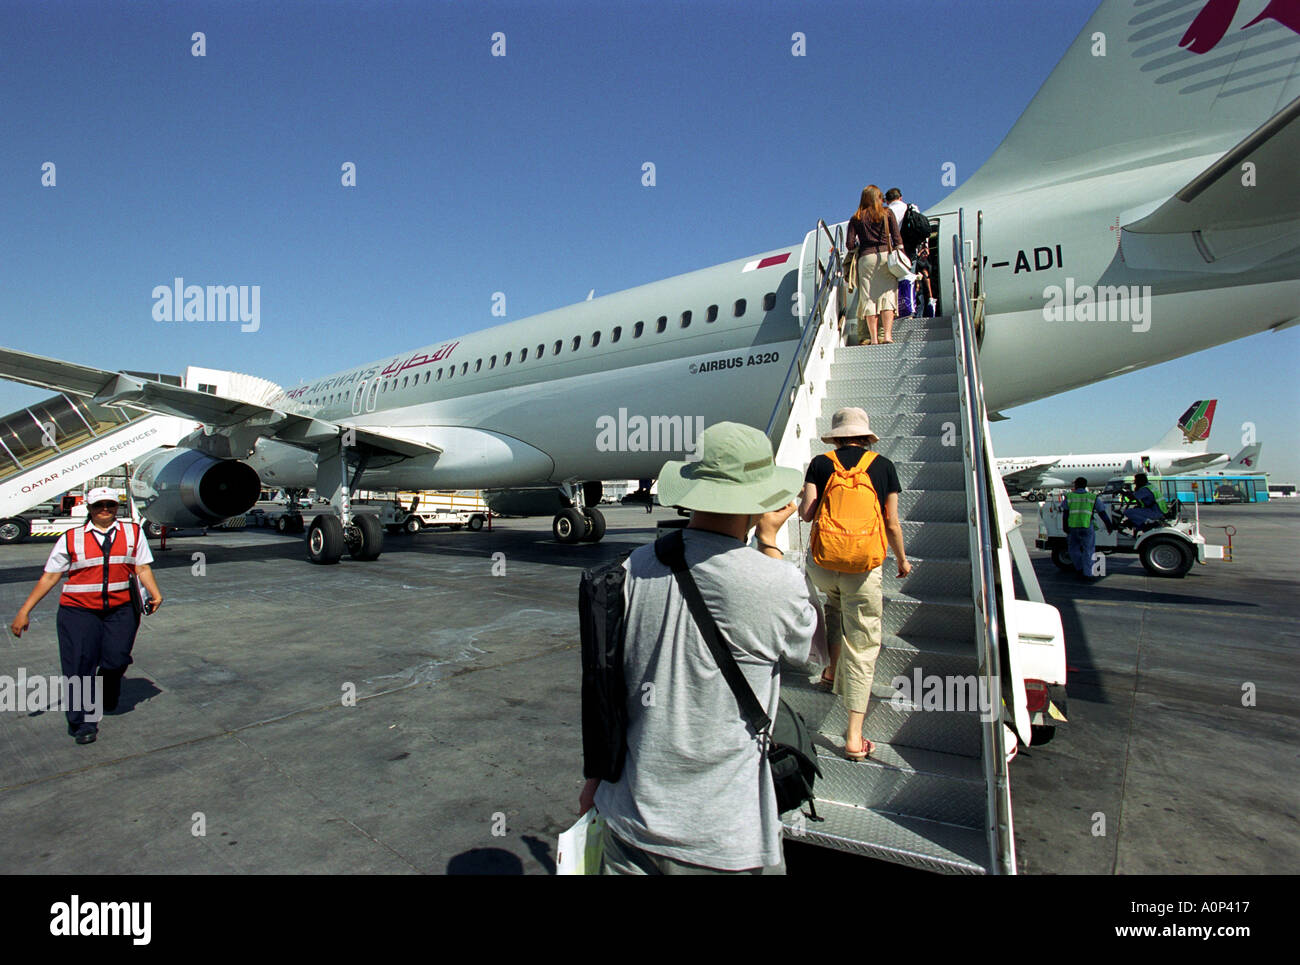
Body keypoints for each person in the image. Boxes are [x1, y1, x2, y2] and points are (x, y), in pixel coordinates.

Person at [578, 422, 815, 874]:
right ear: (760, 499)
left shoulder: (632, 567)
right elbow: (811, 653)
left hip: (629, 820)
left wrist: (594, 780)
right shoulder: (779, 583)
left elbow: (606, 686)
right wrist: (768, 542)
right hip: (722, 839)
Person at [9, 488, 163, 744]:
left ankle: (105, 689)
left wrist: (156, 594)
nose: (105, 509)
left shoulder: (133, 532)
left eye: (110, 505)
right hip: (78, 611)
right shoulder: (71, 538)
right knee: (79, 666)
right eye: (99, 505)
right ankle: (82, 722)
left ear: (117, 507)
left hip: (122, 608)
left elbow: (141, 566)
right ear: (89, 508)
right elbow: (50, 576)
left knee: (116, 659)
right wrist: (24, 611)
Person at [798, 407, 910, 761]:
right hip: (861, 567)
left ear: (836, 435)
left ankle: (831, 671)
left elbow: (807, 513)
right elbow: (891, 523)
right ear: (864, 435)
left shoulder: (820, 463)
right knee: (862, 643)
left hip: (823, 562)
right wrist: (902, 560)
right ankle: (854, 736)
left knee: (833, 611)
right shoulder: (883, 466)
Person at [846, 185, 904, 345]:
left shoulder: (856, 217)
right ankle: (887, 336)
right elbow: (897, 238)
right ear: (878, 198)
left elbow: (850, 245)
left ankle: (872, 339)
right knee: (887, 296)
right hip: (885, 256)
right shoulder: (887, 213)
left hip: (865, 259)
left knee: (869, 298)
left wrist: (862, 242)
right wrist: (901, 252)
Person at [1060, 477, 1113, 579]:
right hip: (1087, 526)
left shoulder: (1069, 496)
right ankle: (1088, 573)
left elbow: (1065, 513)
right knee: (1088, 549)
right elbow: (1102, 513)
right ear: (1085, 485)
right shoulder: (1092, 497)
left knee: (1073, 549)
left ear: (1075, 485)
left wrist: (1065, 526)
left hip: (1073, 526)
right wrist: (1109, 526)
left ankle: (1079, 567)